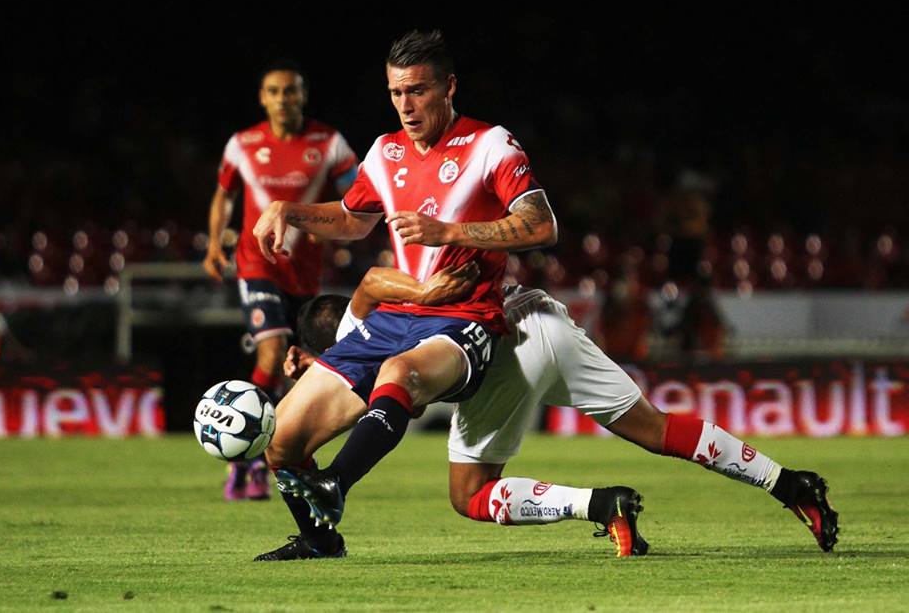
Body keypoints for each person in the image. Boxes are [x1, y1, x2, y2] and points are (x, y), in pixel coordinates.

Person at [256, 266, 838, 561]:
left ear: (312, 354)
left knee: (470, 494)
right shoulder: (380, 314)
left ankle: (602, 504)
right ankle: (790, 483)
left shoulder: (356, 348)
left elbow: (342, 409)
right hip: (547, 319)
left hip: (505, 349)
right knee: (658, 428)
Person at [251, 29, 558, 543]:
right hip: (393, 317)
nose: (406, 105)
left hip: (463, 319)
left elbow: (542, 225)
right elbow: (351, 220)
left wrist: (452, 232)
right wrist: (289, 210)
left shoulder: (490, 144)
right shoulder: (385, 151)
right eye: (396, 93)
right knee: (280, 440)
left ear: (449, 87)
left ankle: (336, 483)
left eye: (417, 90)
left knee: (400, 372)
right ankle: (318, 540)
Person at [203, 59, 359, 501]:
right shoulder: (243, 143)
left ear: (302, 96)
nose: (283, 99)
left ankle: (283, 458)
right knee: (272, 353)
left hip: (305, 273)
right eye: (274, 91)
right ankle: (246, 462)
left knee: (296, 367)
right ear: (262, 98)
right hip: (257, 265)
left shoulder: (328, 143)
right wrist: (215, 244)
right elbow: (223, 196)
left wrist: (338, 226)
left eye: (291, 91)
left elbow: (359, 194)